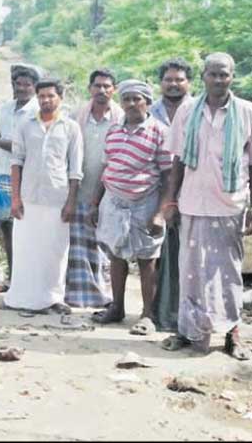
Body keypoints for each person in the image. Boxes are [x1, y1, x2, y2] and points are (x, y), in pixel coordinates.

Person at [160, 52, 252, 360]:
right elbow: (178, 160)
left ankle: (232, 333)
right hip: (193, 202)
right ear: (203, 76)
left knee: (228, 272)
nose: (218, 80)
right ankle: (189, 331)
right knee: (191, 270)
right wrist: (170, 200)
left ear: (232, 77)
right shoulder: (187, 111)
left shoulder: (246, 112)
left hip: (230, 202)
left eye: (224, 74)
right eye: (212, 74)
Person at [90, 80, 171, 335]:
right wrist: (95, 203)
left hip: (145, 202)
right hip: (113, 201)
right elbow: (107, 169)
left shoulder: (160, 131)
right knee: (116, 256)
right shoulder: (114, 131)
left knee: (147, 261)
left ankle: (147, 316)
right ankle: (117, 308)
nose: (132, 104)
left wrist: (160, 213)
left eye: (137, 99)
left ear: (147, 101)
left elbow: (169, 177)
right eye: (127, 99)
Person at [3, 77, 82, 314]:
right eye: (42, 96)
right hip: (28, 197)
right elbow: (16, 162)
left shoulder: (70, 127)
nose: (46, 100)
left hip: (58, 198)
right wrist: (15, 198)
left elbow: (76, 170)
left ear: (60, 97)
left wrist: (71, 202)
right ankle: (20, 297)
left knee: (55, 250)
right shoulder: (26, 125)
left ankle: (52, 299)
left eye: (51, 96)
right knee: (26, 248)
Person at [0, 63, 40, 292]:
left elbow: (25, 147)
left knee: (21, 231)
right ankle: (14, 279)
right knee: (5, 229)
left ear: (34, 87)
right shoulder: (5, 108)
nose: (21, 88)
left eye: (27, 84)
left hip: (21, 177)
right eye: (18, 84)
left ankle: (23, 281)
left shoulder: (36, 112)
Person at [65, 68, 123, 308]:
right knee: (79, 247)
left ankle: (104, 295)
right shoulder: (76, 116)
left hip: (111, 194)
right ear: (90, 89)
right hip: (79, 190)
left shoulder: (122, 117)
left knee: (105, 246)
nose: (102, 90)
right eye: (97, 86)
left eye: (107, 86)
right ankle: (78, 297)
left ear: (114, 90)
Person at [149, 58, 193, 332]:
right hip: (156, 191)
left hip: (193, 192)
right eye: (168, 80)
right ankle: (155, 312)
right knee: (158, 255)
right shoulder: (149, 110)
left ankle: (183, 315)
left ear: (189, 82)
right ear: (161, 82)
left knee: (185, 255)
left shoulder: (198, 109)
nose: (174, 84)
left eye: (179, 79)